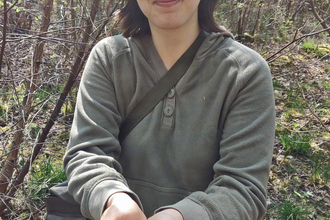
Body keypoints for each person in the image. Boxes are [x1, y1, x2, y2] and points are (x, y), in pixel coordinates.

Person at [63, 0, 276, 219]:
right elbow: (88, 153)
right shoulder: (109, 58)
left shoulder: (246, 73)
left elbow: (243, 187)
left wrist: (182, 215)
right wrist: (111, 198)